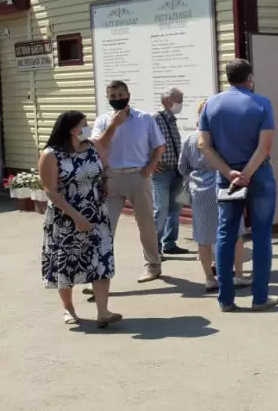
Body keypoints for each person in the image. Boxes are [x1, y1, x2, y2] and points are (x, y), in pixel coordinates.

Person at [198, 59, 278, 312]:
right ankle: (260, 298)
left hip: (227, 177)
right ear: (250, 78)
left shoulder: (211, 104)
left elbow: (203, 145)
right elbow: (265, 146)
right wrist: (247, 173)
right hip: (259, 174)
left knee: (226, 234)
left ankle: (225, 299)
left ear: (227, 77)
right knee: (262, 234)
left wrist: (229, 173)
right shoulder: (262, 103)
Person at [39, 111, 122, 328]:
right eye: (84, 124)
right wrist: (76, 216)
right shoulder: (51, 154)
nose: (88, 128)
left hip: (97, 213)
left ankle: (103, 312)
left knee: (101, 259)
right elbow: (50, 190)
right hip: (65, 217)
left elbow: (105, 169)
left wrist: (107, 181)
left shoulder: (92, 147)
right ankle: (68, 308)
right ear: (72, 129)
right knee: (66, 262)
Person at [90, 80, 165, 283]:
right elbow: (98, 146)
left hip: (138, 176)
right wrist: (114, 125)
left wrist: (149, 168)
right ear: (107, 98)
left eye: (120, 95)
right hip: (111, 177)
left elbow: (159, 146)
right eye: (113, 96)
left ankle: (153, 265)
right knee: (106, 226)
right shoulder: (103, 120)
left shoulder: (145, 118)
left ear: (128, 95)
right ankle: (101, 272)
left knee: (146, 223)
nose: (117, 99)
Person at [179, 99, 251, 291]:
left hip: (200, 191)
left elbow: (182, 168)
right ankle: (238, 275)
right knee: (234, 233)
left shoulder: (190, 139)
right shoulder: (223, 138)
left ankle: (210, 279)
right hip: (226, 187)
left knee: (203, 237)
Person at [152, 87, 189, 255]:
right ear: (166, 101)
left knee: (175, 209)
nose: (180, 104)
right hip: (161, 172)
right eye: (178, 101)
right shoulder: (154, 119)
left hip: (176, 170)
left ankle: (169, 243)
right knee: (161, 209)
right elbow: (142, 143)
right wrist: (150, 164)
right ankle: (154, 248)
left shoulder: (172, 120)